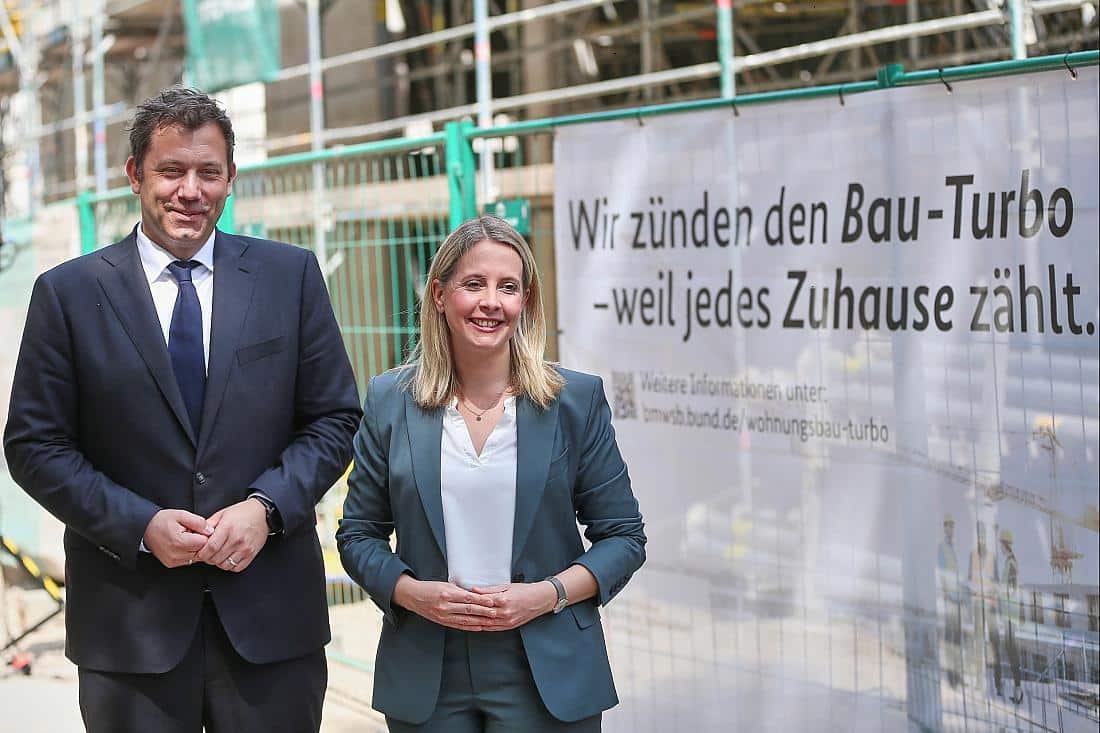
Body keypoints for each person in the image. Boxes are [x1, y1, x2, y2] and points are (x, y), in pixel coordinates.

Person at [3, 87, 361, 732]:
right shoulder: (68, 294)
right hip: (129, 627)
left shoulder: (290, 277)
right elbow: (35, 446)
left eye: (208, 173)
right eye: (171, 171)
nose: (190, 191)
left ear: (231, 178)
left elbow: (334, 419)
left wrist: (265, 509)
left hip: (270, 622)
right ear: (135, 174)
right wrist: (140, 525)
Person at [337, 216, 646, 732]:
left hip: (546, 664)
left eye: (508, 287)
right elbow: (358, 534)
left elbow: (624, 537)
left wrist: (547, 595)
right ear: (440, 295)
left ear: (525, 300)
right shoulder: (391, 400)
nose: (491, 302)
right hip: (428, 669)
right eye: (474, 284)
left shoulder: (574, 401)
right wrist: (414, 593)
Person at [936, 513, 963, 688]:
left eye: (952, 525)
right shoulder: (942, 548)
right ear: (944, 527)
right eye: (948, 525)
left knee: (957, 639)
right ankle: (951, 677)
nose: (950, 528)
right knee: (951, 638)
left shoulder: (953, 549)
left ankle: (956, 675)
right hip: (950, 599)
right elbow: (942, 573)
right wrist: (946, 594)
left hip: (957, 599)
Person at [997, 528, 1024, 704]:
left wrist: (1002, 594)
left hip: (1010, 613)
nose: (1000, 547)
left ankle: (1018, 688)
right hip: (1008, 612)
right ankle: (1017, 687)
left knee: (1011, 648)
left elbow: (1012, 589)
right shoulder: (1010, 562)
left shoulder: (1011, 563)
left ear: (1004, 544)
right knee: (1009, 647)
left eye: (1001, 544)